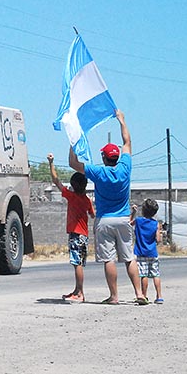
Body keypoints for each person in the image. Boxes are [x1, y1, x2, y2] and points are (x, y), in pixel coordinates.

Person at [69, 109, 148, 305]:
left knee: (109, 259)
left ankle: (114, 296)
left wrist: (73, 139)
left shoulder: (98, 172)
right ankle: (139, 294)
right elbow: (127, 142)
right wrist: (122, 121)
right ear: (117, 157)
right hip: (123, 218)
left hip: (104, 220)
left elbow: (73, 163)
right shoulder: (125, 168)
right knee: (130, 258)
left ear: (104, 158)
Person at [48, 153, 94, 302]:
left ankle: (80, 293)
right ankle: (76, 290)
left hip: (76, 234)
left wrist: (51, 163)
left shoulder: (71, 196)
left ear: (73, 185)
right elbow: (93, 215)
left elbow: (56, 180)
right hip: (84, 235)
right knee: (78, 262)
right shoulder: (86, 200)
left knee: (77, 263)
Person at [130, 199, 163, 304]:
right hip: (152, 253)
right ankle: (159, 296)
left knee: (143, 275)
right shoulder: (156, 224)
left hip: (140, 252)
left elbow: (129, 222)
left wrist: (133, 212)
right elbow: (158, 240)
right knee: (155, 274)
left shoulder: (138, 221)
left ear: (143, 210)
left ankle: (144, 295)